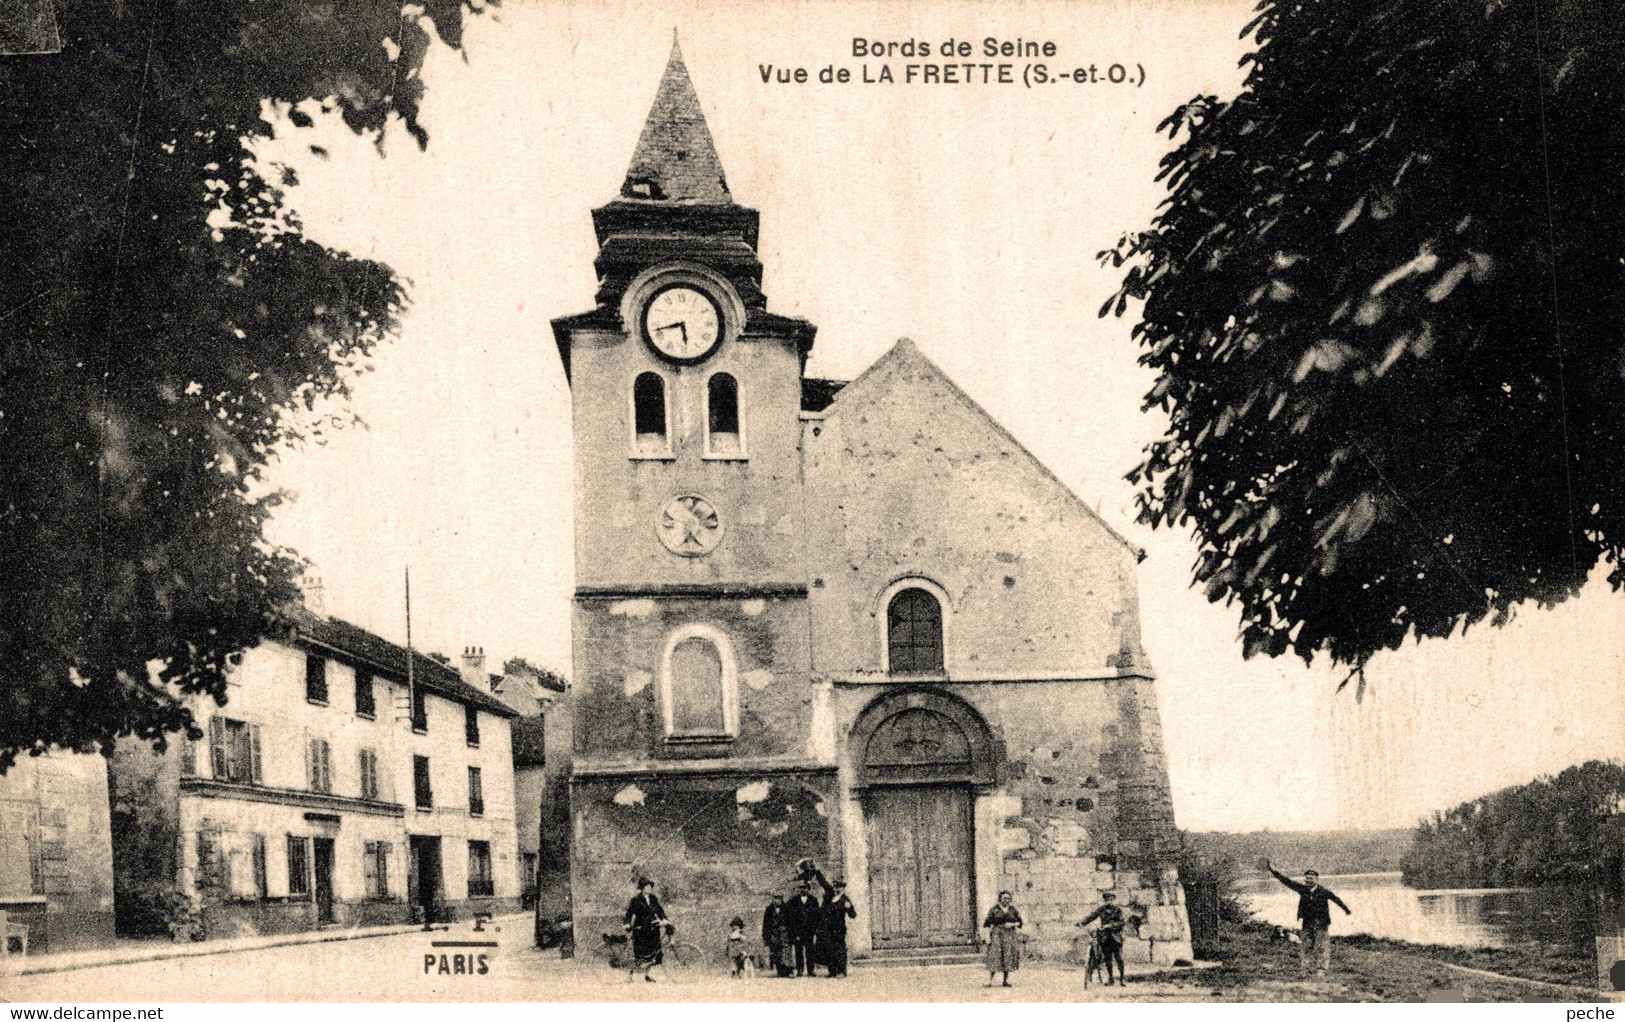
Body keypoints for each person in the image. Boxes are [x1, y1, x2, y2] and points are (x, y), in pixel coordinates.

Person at [1265, 858, 1351, 976]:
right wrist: (1273, 870)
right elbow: (1286, 881)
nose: (1308, 880)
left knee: (1322, 946)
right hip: (1307, 923)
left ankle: (1321, 970)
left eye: (1311, 878)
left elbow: (1336, 899)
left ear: (1317, 880)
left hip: (1321, 923)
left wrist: (1346, 909)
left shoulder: (1324, 891)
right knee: (1306, 946)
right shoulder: (1302, 889)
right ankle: (1305, 969)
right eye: (1307, 878)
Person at [1079, 891, 1133, 986]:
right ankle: (1111, 979)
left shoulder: (1118, 910)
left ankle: (1121, 979)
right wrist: (1081, 923)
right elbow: (1092, 916)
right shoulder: (1101, 909)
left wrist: (1109, 926)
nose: (1109, 902)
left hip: (1116, 937)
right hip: (1105, 937)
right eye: (1107, 900)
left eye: (1111, 900)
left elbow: (1122, 923)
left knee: (1119, 959)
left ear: (1113, 900)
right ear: (1105, 901)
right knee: (1108, 959)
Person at [622, 877, 670, 983]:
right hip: (641, 929)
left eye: (650, 887)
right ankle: (630, 976)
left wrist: (665, 920)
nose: (649, 889)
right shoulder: (636, 899)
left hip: (653, 928)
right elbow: (629, 913)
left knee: (653, 954)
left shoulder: (653, 898)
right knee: (639, 955)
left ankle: (647, 975)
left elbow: (660, 911)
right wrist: (626, 923)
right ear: (642, 888)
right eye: (646, 887)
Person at [817, 877, 857, 977]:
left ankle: (842, 971)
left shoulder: (845, 899)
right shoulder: (830, 898)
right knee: (830, 949)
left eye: (838, 887)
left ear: (843, 888)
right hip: (829, 929)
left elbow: (853, 915)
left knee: (840, 950)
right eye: (835, 887)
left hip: (839, 929)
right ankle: (832, 971)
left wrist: (849, 907)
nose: (836, 889)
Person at [982, 890, 1023, 987]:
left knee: (1007, 955)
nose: (1007, 900)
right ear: (1000, 899)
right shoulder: (994, 909)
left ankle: (1005, 981)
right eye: (1005, 898)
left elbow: (1020, 923)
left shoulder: (1013, 910)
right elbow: (987, 924)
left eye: (1009, 898)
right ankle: (990, 980)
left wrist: (1012, 924)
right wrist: (987, 937)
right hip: (997, 934)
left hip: (1009, 935)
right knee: (995, 955)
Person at [785, 880, 821, 977]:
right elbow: (790, 917)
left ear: (808, 888)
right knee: (798, 951)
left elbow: (817, 916)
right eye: (801, 888)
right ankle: (800, 970)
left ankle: (811, 970)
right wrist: (793, 931)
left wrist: (815, 929)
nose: (803, 889)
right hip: (798, 931)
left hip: (809, 931)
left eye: (805, 887)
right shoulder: (794, 901)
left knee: (810, 951)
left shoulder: (813, 900)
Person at [761, 893, 792, 977]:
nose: (776, 901)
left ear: (781, 899)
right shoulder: (769, 909)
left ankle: (787, 971)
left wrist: (792, 934)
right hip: (773, 934)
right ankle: (779, 971)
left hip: (784, 933)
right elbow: (766, 924)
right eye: (775, 899)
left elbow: (791, 922)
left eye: (778, 899)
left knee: (785, 952)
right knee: (776, 952)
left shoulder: (787, 908)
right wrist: (766, 935)